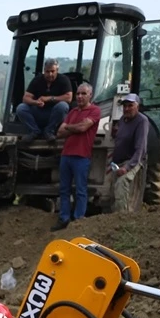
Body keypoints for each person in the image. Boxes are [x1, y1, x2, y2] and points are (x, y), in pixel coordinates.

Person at [53, 83, 101, 231]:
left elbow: (82, 127)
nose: (80, 96)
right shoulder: (73, 111)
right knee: (64, 189)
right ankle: (64, 218)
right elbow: (59, 133)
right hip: (66, 155)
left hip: (82, 156)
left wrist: (69, 127)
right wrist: (75, 127)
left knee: (80, 190)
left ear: (90, 95)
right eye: (78, 93)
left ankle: (78, 220)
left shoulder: (95, 110)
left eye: (83, 94)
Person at [108, 93, 148, 213]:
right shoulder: (122, 119)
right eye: (125, 106)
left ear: (137, 106)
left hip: (133, 160)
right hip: (118, 162)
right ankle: (112, 217)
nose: (126, 109)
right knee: (113, 191)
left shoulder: (142, 121)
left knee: (122, 183)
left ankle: (122, 217)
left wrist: (127, 167)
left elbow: (140, 148)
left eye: (130, 105)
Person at [16, 59, 73, 143]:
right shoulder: (37, 80)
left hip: (55, 114)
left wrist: (49, 98)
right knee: (21, 108)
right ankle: (34, 131)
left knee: (63, 106)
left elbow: (68, 98)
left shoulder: (64, 80)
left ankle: (49, 131)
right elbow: (26, 98)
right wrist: (35, 102)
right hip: (39, 112)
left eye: (52, 71)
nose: (50, 74)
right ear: (44, 71)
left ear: (57, 70)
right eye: (47, 71)